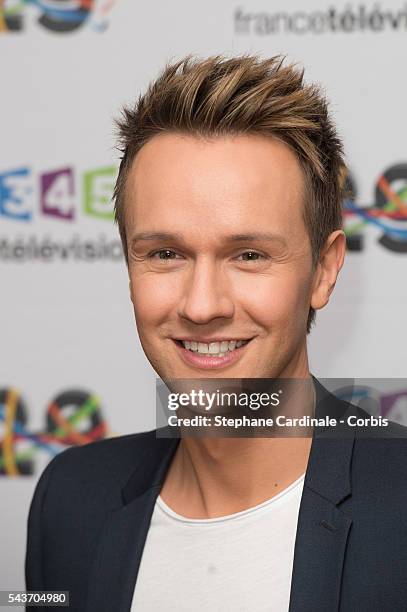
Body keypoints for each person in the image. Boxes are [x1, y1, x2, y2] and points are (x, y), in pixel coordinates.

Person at [25, 53, 407, 612]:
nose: (202, 306)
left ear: (323, 271)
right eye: (165, 253)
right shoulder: (71, 499)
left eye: (248, 255)